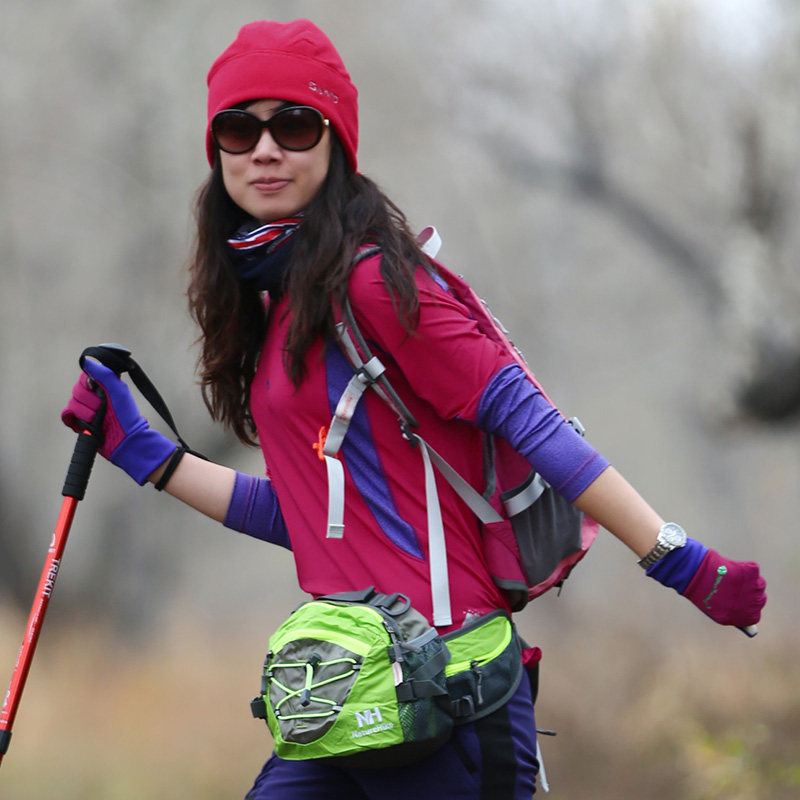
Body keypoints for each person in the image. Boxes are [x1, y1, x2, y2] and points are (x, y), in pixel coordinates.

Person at [61, 19, 766, 799]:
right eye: (239, 128)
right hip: (339, 690)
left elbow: (536, 427)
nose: (264, 149)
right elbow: (313, 520)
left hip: (451, 695)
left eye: (293, 125)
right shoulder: (277, 304)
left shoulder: (375, 283)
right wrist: (149, 454)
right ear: (217, 150)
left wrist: (680, 560)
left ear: (336, 144)